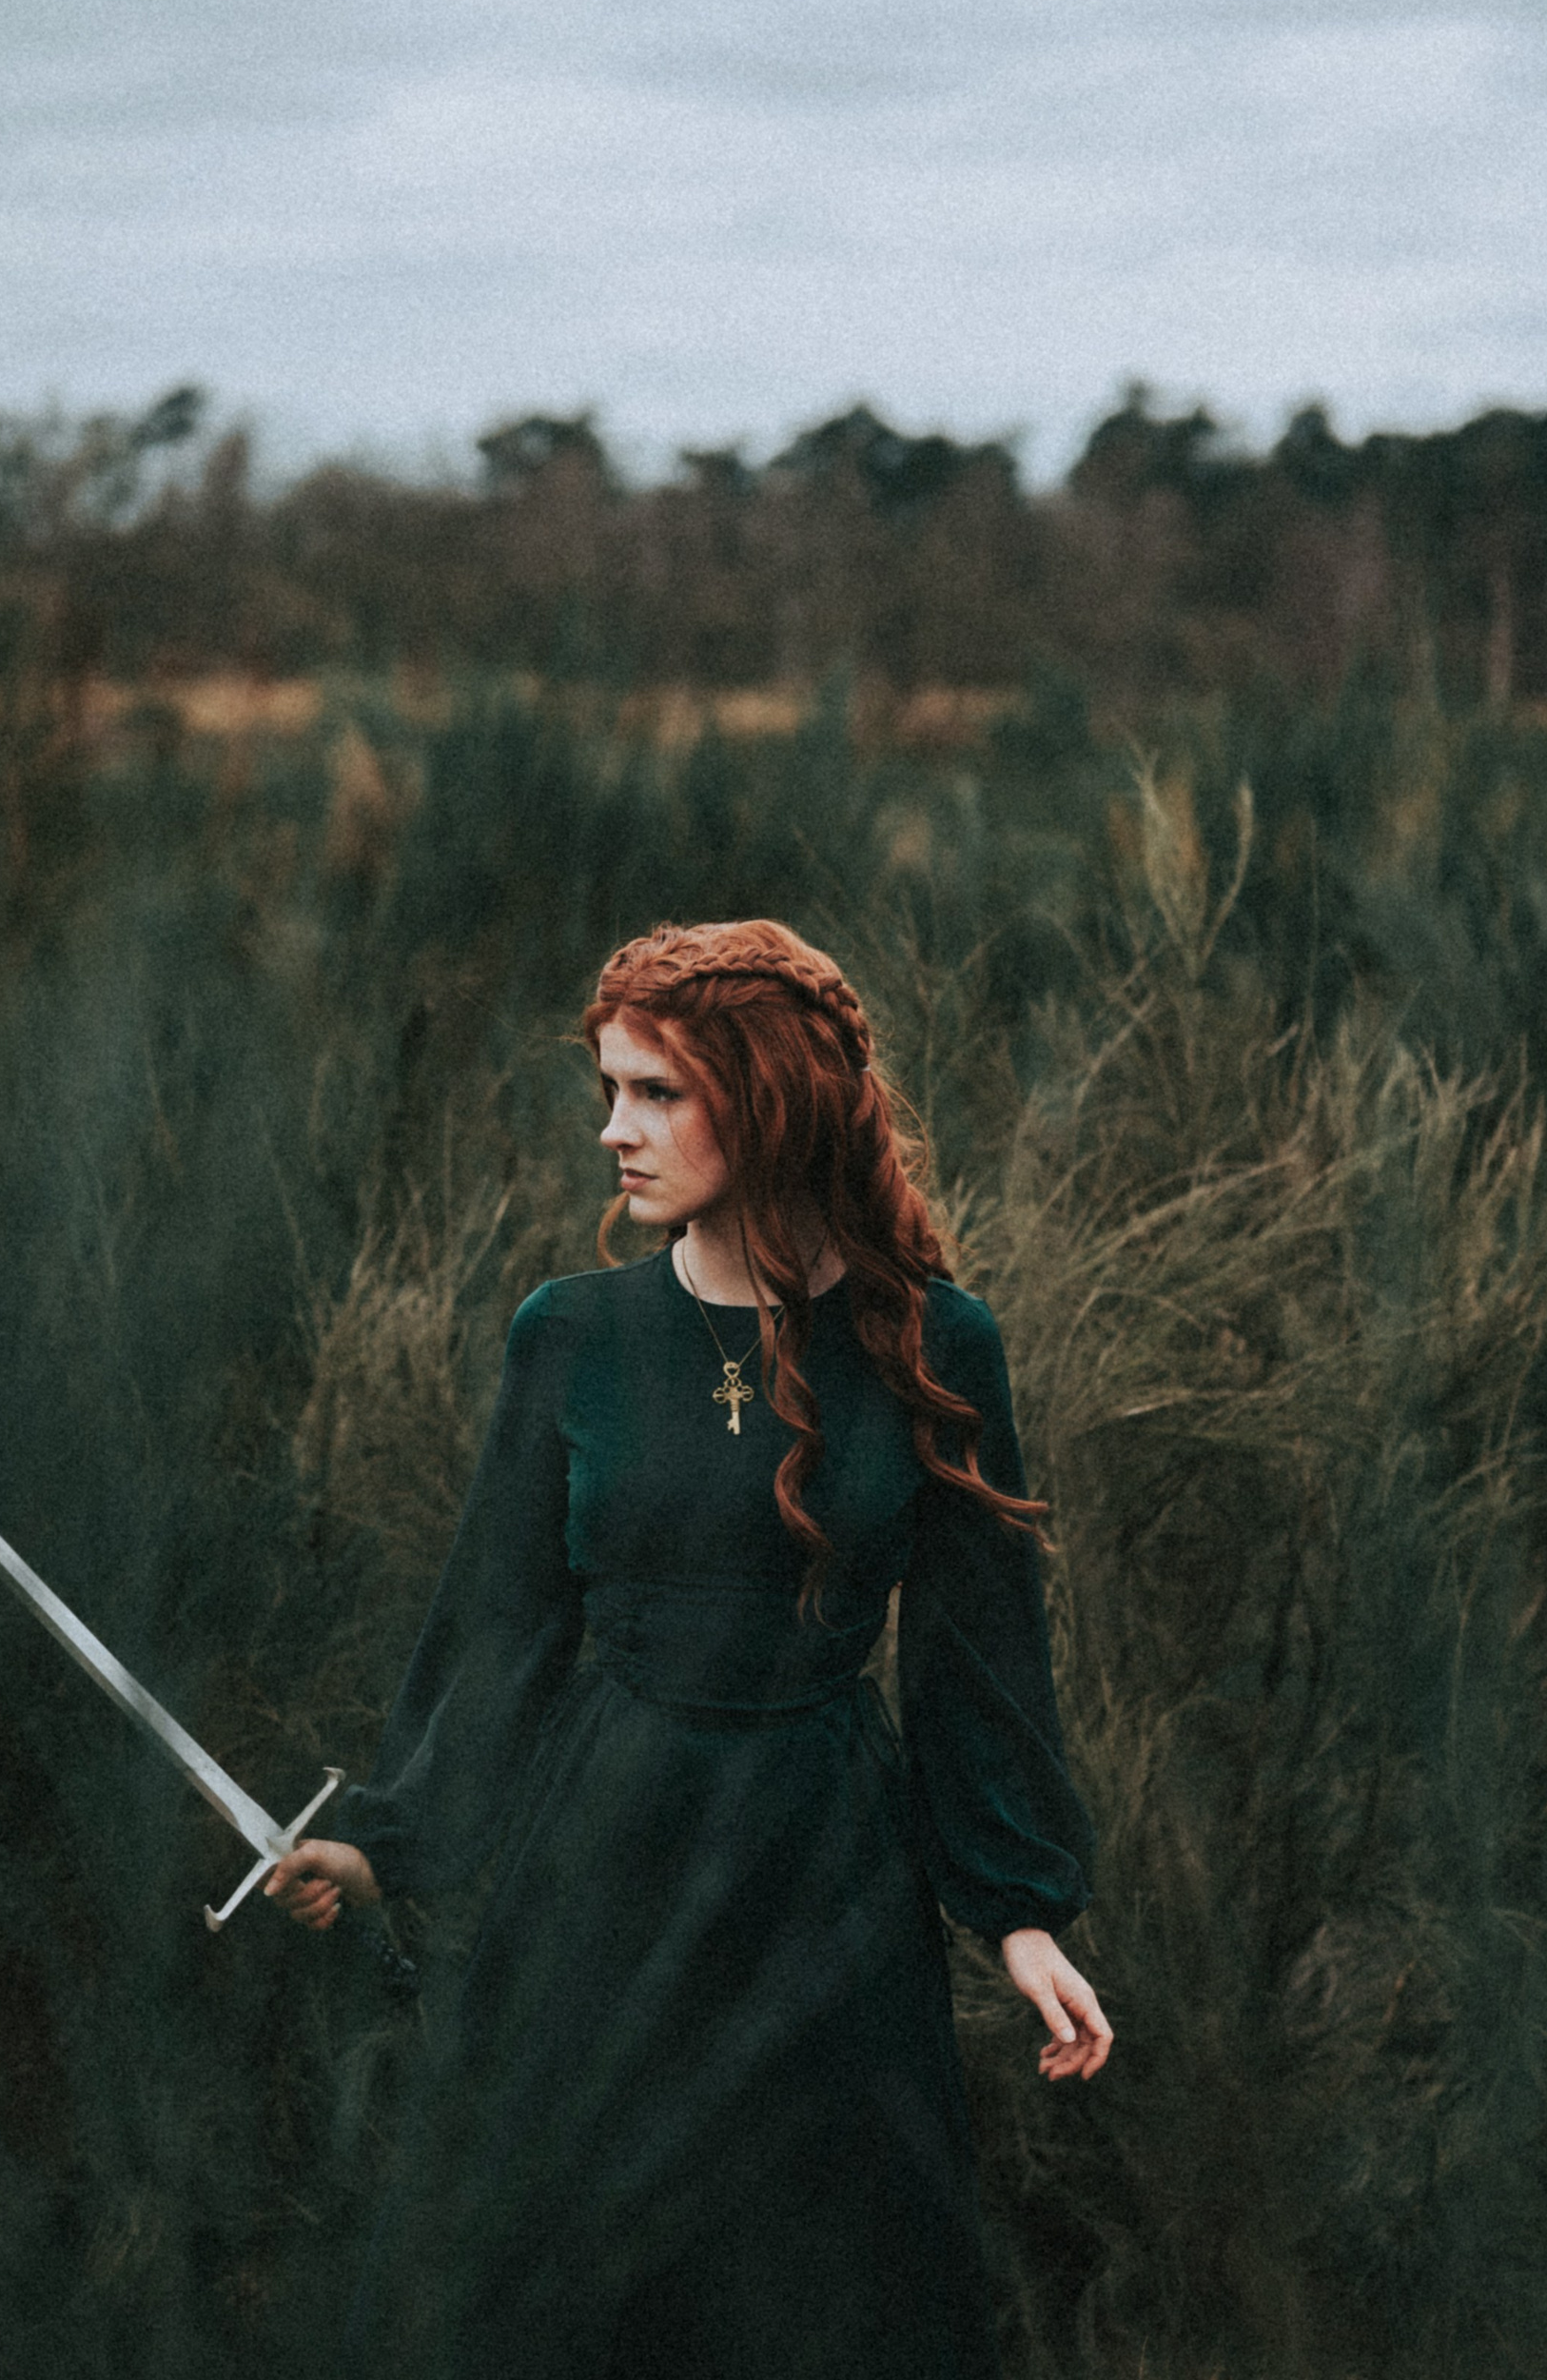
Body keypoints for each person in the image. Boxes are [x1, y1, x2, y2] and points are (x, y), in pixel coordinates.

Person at [268, 917, 1111, 2378]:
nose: (614, 1130)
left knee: (818, 2297)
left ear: (770, 1098)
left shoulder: (934, 1343)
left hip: (826, 1885)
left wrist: (1020, 1911)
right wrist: (380, 1843)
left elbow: (978, 1655)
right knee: (563, 2283)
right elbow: (502, 1625)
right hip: (601, 1862)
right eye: (609, 1089)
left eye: (656, 1092)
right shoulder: (570, 1337)